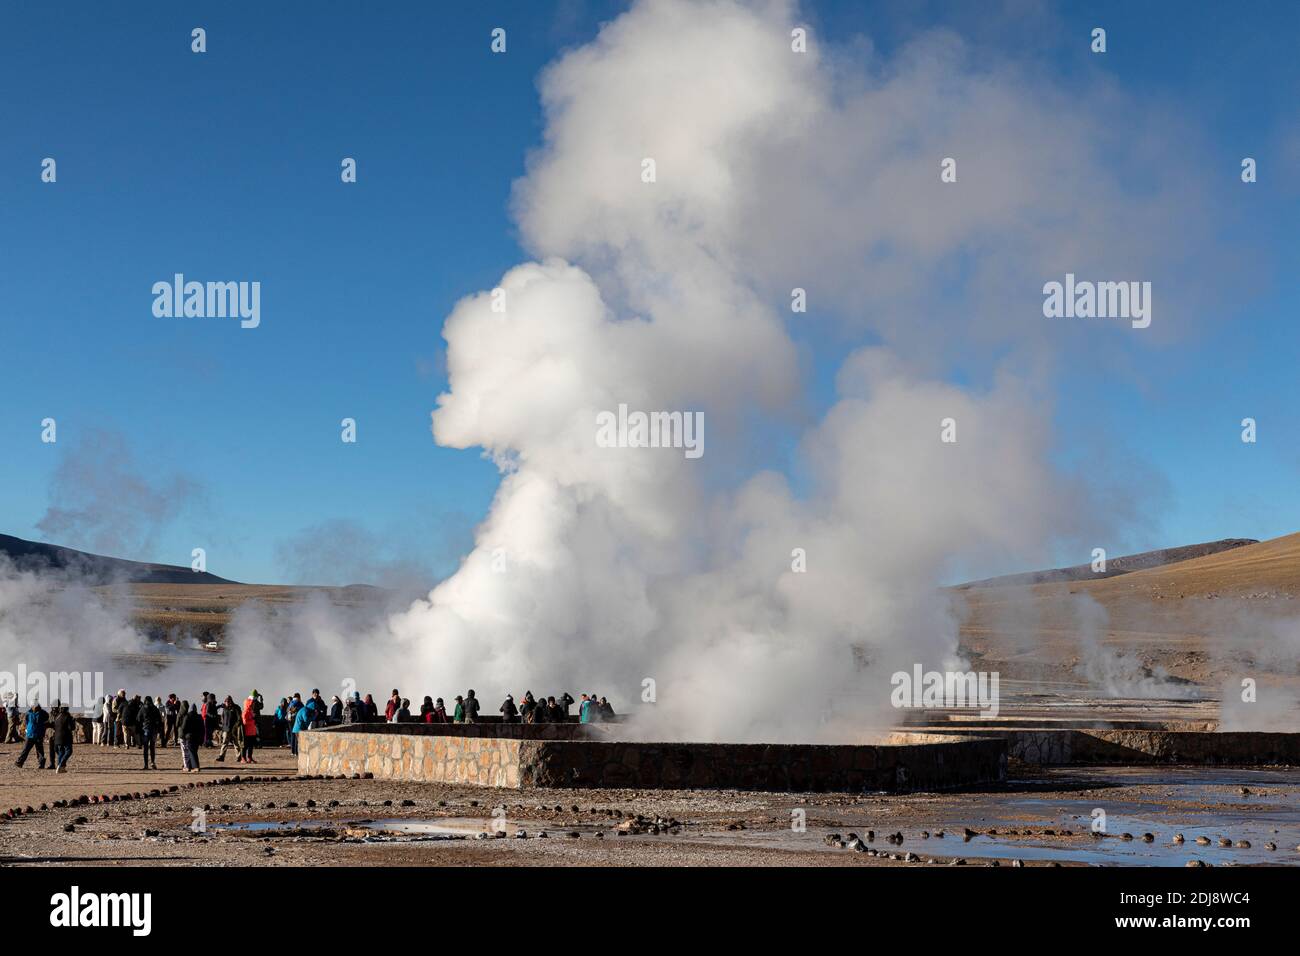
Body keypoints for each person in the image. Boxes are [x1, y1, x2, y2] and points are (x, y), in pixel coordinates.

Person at [15, 701, 48, 768]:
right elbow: (26, 721)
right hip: (30, 734)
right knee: (26, 749)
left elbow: (46, 718)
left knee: (39, 750)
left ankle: (41, 764)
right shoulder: (28, 713)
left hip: (38, 734)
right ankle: (20, 762)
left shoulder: (42, 713)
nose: (35, 707)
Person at [214, 695, 242, 762]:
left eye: (228, 702)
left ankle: (239, 757)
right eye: (226, 702)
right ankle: (221, 757)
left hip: (234, 729)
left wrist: (236, 727)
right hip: (226, 729)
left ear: (231, 701)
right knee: (224, 743)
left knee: (236, 743)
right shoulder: (224, 708)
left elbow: (239, 719)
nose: (227, 703)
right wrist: (223, 726)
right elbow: (222, 717)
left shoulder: (236, 708)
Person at [138, 696, 162, 770]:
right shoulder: (155, 708)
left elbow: (138, 718)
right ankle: (152, 762)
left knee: (145, 748)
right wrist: (159, 729)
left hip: (146, 729)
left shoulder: (143, 708)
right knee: (152, 747)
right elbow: (160, 719)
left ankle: (146, 765)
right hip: (154, 730)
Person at [179, 702, 204, 772]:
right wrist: (202, 739)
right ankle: (189, 766)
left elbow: (184, 727)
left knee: (192, 752)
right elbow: (202, 729)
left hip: (190, 737)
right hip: (198, 737)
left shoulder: (187, 716)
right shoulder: (199, 717)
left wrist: (182, 735)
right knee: (193, 751)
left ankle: (195, 767)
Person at [51, 705, 75, 772]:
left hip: (57, 737)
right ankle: (61, 765)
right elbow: (71, 728)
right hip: (66, 737)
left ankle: (61, 768)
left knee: (61, 752)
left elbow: (54, 726)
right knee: (69, 751)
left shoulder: (57, 716)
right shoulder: (68, 716)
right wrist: (73, 722)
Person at [240, 694, 259, 763]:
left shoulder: (251, 711)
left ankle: (249, 757)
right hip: (246, 732)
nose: (253, 705)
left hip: (252, 732)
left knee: (251, 746)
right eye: (252, 704)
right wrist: (253, 720)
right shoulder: (245, 711)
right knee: (245, 746)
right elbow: (245, 722)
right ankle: (243, 758)